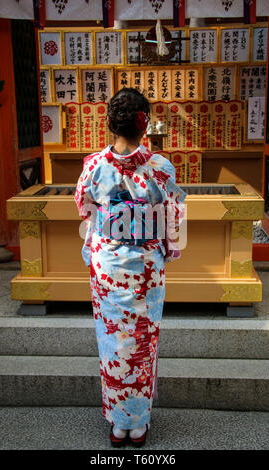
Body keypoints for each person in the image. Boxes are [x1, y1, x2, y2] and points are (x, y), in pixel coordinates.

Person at [74, 88, 187, 447]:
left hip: (107, 263)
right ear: (144, 123)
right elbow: (173, 216)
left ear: (111, 123)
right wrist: (168, 250)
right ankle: (137, 423)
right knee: (143, 340)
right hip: (145, 268)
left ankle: (118, 422)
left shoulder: (94, 165)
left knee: (112, 340)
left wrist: (103, 233)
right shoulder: (161, 167)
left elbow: (85, 208)